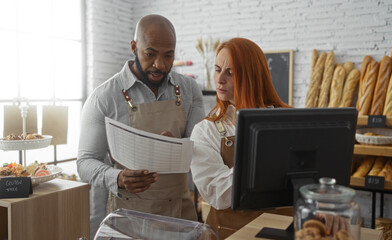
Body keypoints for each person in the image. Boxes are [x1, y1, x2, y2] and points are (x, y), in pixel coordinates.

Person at [77, 14, 205, 238]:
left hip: (179, 214)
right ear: (134, 47)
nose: (160, 65)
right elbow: (85, 162)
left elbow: (200, 147)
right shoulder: (103, 97)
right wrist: (116, 178)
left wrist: (177, 148)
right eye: (150, 54)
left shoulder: (189, 90)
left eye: (169, 56)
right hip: (129, 218)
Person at [190, 37, 292, 239]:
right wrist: (260, 158)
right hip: (231, 234)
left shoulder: (289, 121)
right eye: (218, 69)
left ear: (254, 76)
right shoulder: (205, 131)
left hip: (286, 231)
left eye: (231, 72)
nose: (219, 80)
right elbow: (216, 193)